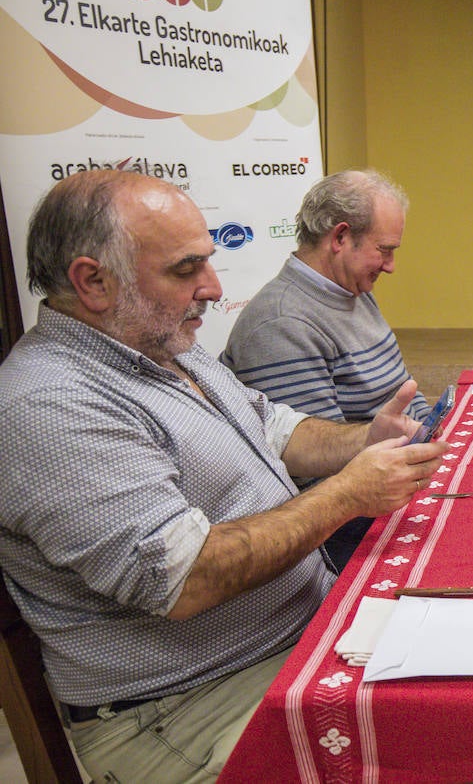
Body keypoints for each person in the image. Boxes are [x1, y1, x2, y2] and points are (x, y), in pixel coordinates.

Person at [0, 169, 447, 784]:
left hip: (294, 633)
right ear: (93, 281)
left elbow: (275, 428)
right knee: (440, 745)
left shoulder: (164, 348)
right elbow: (184, 578)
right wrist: (347, 494)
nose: (213, 287)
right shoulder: (48, 403)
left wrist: (365, 440)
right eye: (186, 271)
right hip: (187, 705)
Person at [223, 168, 428, 564]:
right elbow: (319, 479)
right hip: (341, 528)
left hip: (388, 481)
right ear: (340, 238)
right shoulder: (282, 322)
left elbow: (401, 396)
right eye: (384, 250)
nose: (390, 266)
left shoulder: (351, 290)